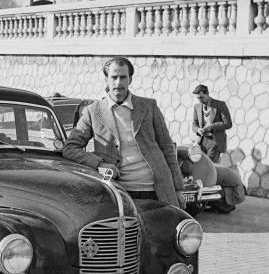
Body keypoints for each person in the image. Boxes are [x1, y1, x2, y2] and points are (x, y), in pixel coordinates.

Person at [63, 56, 186, 209]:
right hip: (118, 192)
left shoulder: (149, 106)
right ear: (106, 79)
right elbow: (70, 148)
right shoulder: (92, 111)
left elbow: (167, 147)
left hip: (158, 189)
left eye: (123, 77)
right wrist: (99, 164)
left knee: (162, 232)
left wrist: (179, 188)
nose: (118, 82)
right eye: (114, 77)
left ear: (130, 80)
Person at [192, 84, 232, 163]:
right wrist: (197, 130)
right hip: (201, 142)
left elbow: (228, 123)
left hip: (214, 141)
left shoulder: (220, 105)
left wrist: (212, 127)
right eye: (197, 98)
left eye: (201, 97)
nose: (199, 100)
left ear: (207, 93)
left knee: (210, 166)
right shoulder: (196, 107)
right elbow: (194, 124)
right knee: (200, 166)